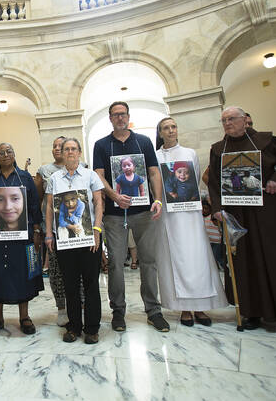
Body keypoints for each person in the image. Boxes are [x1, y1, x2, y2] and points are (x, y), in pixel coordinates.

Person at [208, 106, 276, 334]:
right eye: (224, 120)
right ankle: (252, 312)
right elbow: (214, 183)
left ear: (245, 120)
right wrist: (217, 209)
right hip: (237, 213)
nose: (227, 123)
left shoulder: (267, 141)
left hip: (268, 210)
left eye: (232, 119)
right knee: (245, 262)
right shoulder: (219, 149)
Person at [92, 102, 166, 333]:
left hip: (144, 212)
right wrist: (113, 194)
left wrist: (158, 199)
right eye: (116, 115)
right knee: (115, 263)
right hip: (115, 215)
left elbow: (153, 172)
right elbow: (98, 175)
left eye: (123, 114)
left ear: (128, 116)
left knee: (149, 261)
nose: (120, 118)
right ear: (110, 118)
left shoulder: (143, 142)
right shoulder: (102, 145)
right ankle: (118, 312)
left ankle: (154, 310)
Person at [155, 117, 227, 326]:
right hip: (169, 215)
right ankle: (184, 309)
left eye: (173, 127)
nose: (170, 131)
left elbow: (194, 180)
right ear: (160, 133)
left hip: (190, 214)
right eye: (165, 128)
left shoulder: (190, 153)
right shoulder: (156, 155)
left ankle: (201, 307)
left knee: (197, 257)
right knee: (176, 259)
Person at [0, 143, 43, 336]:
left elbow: (34, 206)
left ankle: (24, 317)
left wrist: (37, 230)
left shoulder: (25, 178)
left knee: (23, 273)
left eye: (9, 151)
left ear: (15, 155)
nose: (5, 155)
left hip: (22, 236)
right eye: (1, 153)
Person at [45, 138, 104, 344]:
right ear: (61, 153)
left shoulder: (91, 175)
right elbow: (49, 207)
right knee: (69, 284)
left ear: (79, 152)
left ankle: (92, 328)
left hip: (89, 238)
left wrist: (96, 230)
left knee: (90, 284)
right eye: (66, 149)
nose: (69, 152)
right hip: (64, 239)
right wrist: (49, 233)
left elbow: (98, 202)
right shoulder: (54, 178)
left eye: (73, 149)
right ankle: (74, 327)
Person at [35, 136, 70, 326]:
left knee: (77, 270)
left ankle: (78, 306)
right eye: (54, 146)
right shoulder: (45, 171)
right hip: (53, 228)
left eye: (61, 146)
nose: (57, 148)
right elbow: (39, 200)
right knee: (56, 270)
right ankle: (62, 308)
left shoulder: (83, 168)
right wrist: (40, 228)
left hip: (75, 228)